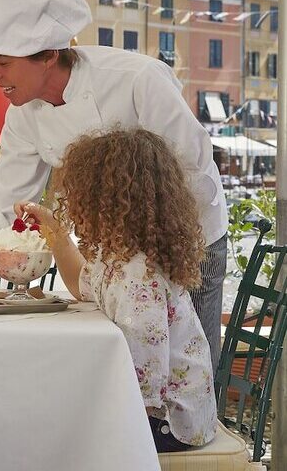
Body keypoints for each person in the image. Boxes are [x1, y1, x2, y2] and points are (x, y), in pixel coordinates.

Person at [0, 0, 228, 371]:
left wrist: (138, 263)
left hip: (188, 240)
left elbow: (194, 176)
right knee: (131, 373)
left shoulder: (138, 80)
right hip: (116, 257)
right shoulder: (21, 115)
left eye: (3, 62)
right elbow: (1, 213)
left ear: (48, 55)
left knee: (191, 372)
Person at [18, 128, 217, 453]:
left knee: (52, 436)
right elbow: (80, 282)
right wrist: (52, 228)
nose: (74, 203)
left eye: (78, 194)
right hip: (175, 414)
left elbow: (144, 383)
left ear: (105, 199)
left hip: (168, 423)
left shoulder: (137, 274)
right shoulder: (123, 258)